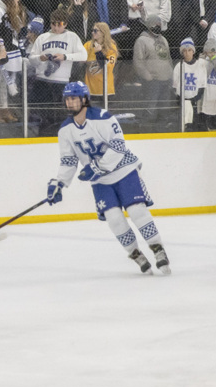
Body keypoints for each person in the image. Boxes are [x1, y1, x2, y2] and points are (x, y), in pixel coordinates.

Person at [46, 81, 171, 275]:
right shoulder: (65, 130)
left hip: (123, 170)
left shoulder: (103, 118)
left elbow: (119, 146)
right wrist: (59, 183)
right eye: (67, 99)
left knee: (136, 210)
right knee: (114, 218)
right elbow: (69, 159)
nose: (70, 103)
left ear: (84, 99)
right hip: (101, 180)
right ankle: (135, 254)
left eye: (74, 98)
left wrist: (96, 166)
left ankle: (158, 249)